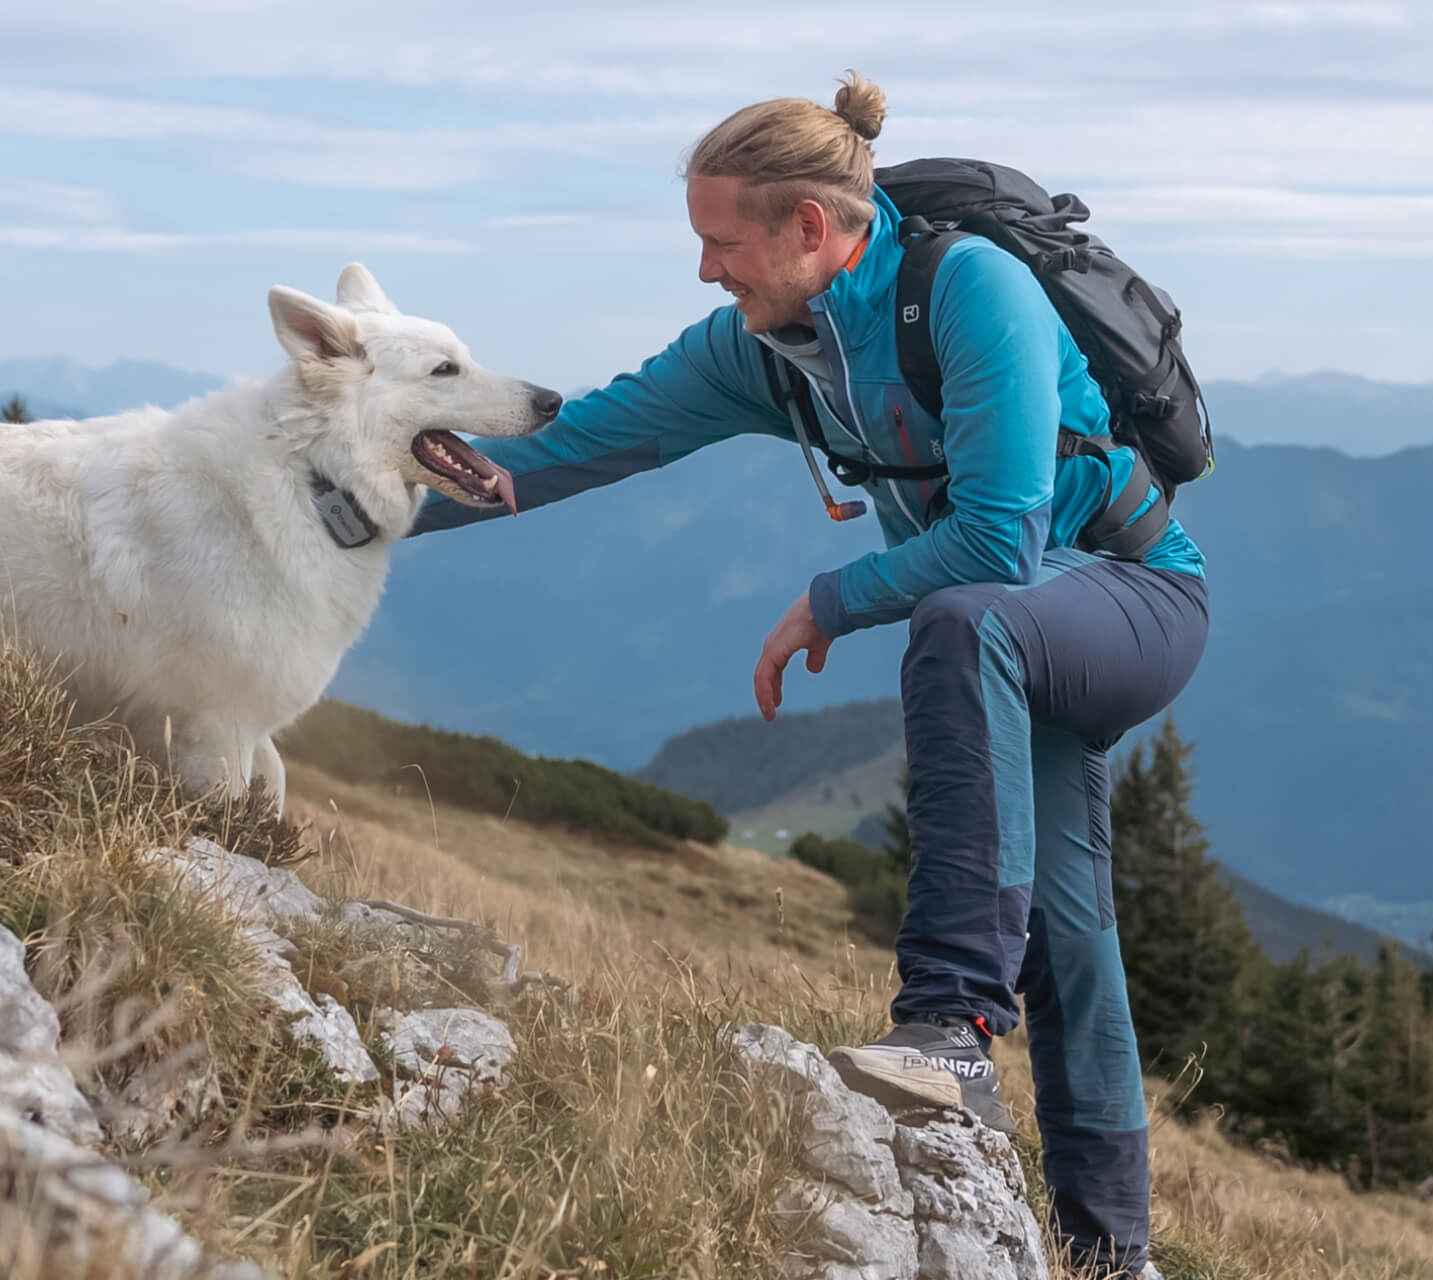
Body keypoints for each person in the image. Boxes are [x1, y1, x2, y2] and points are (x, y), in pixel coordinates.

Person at [408, 71, 1208, 1279]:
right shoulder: (763, 353)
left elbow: (1001, 537)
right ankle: (1114, 1253)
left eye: (722, 243)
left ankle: (946, 1028)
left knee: (961, 617)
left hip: (1133, 597)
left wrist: (821, 603)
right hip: (1010, 623)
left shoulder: (969, 288)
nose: (705, 271)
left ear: (812, 230)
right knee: (1069, 928)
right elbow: (554, 453)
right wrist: (335, 511)